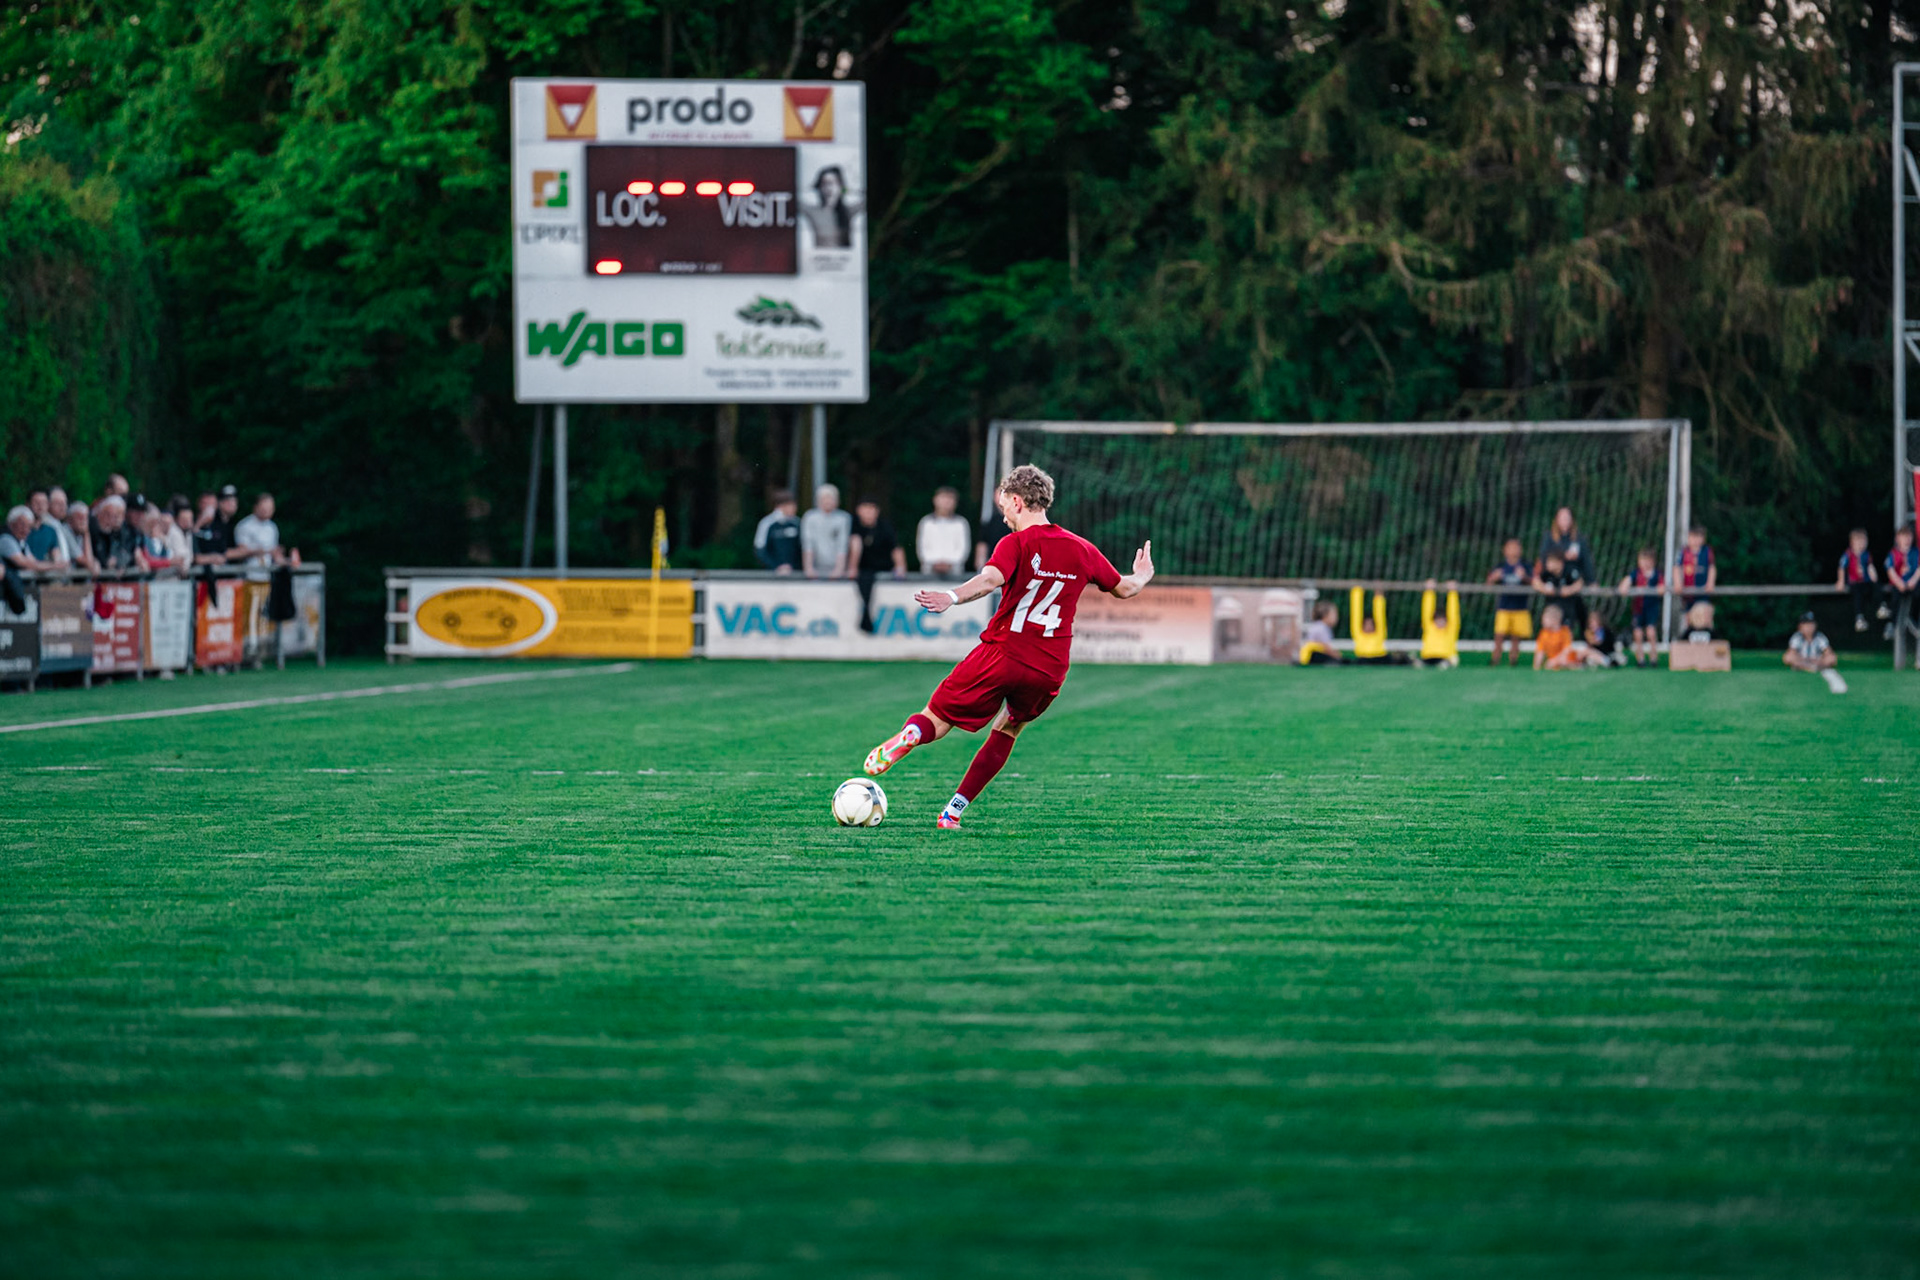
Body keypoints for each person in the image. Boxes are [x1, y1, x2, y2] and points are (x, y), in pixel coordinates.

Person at [858, 464, 1154, 829]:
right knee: (1008, 729)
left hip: (1002, 653)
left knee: (939, 715)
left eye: (1004, 509)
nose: (1004, 518)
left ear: (1017, 501)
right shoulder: (1082, 549)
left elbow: (989, 579)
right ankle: (952, 812)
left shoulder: (1015, 544)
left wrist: (952, 595)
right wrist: (1141, 575)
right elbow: (1124, 588)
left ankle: (912, 735)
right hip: (1048, 666)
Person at [849, 499, 907, 633]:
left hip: (883, 568)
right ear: (859, 510)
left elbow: (896, 548)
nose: (869, 512)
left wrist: (900, 567)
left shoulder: (885, 526)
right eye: (865, 508)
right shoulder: (854, 526)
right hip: (864, 569)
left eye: (872, 508)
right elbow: (854, 548)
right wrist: (852, 567)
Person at [1486, 538, 1533, 666]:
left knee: (1516, 636)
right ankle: (1495, 658)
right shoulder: (1501, 566)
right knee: (1499, 633)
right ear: (1504, 550)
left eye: (1516, 547)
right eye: (1510, 547)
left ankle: (1513, 659)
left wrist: (1523, 577)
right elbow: (1489, 582)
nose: (1513, 550)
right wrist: (1494, 577)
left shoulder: (1525, 566)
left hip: (1520, 606)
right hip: (1504, 606)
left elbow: (1533, 582)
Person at [1618, 546, 1665, 668]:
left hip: (1651, 608)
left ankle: (1654, 657)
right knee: (1638, 634)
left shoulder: (1656, 574)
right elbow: (1627, 581)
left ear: (1653, 562)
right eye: (1642, 560)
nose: (1645, 563)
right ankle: (1640, 659)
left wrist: (1658, 589)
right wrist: (1624, 586)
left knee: (1650, 632)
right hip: (1638, 609)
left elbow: (1662, 587)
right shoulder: (1636, 574)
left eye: (1648, 560)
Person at [915, 487, 971, 578]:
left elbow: (963, 549)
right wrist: (934, 563)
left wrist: (950, 564)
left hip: (955, 574)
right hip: (929, 572)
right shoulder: (926, 523)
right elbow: (922, 548)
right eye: (943, 498)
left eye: (950, 498)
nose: (946, 502)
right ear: (935, 500)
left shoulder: (961, 523)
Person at [802, 165, 862, 250]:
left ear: (840, 186)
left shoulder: (848, 211)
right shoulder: (814, 212)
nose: (829, 188)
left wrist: (851, 190)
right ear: (819, 187)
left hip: (846, 260)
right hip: (819, 260)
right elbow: (793, 199)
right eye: (825, 183)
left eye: (834, 183)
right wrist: (808, 188)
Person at [800, 484, 853, 579]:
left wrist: (839, 569)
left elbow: (842, 544)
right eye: (824, 498)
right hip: (816, 567)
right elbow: (808, 544)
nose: (828, 501)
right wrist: (809, 568)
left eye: (831, 498)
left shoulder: (843, 518)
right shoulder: (810, 517)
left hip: (837, 569)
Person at [1538, 507, 1596, 590]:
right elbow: (1543, 557)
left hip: (1573, 578)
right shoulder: (1549, 537)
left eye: (1567, 518)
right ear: (1557, 520)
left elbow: (1586, 561)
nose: (1565, 521)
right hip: (1553, 579)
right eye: (1562, 518)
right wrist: (1563, 556)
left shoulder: (1579, 539)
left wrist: (1591, 580)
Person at [1532, 548, 1587, 633]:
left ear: (1559, 562)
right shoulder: (1547, 573)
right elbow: (1535, 582)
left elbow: (1579, 583)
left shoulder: (1569, 570)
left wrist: (1568, 590)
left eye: (1550, 562)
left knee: (1566, 632)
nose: (1547, 565)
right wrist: (1545, 589)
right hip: (1552, 609)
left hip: (1567, 609)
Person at [1835, 528, 1879, 633]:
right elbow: (1842, 567)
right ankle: (1859, 617)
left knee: (1876, 587)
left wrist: (1873, 575)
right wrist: (1841, 581)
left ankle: (1881, 606)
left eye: (1863, 542)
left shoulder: (1866, 555)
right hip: (1855, 582)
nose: (1861, 545)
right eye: (1858, 542)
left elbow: (1870, 566)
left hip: (1866, 582)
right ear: (1852, 543)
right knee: (1857, 595)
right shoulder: (1848, 554)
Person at [233, 492, 288, 575]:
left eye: (270, 509)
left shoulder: (272, 527)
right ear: (256, 507)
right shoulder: (245, 525)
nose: (267, 511)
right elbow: (241, 551)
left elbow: (275, 554)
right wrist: (262, 551)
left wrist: (286, 561)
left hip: (267, 574)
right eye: (264, 508)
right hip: (249, 574)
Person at [752, 490, 803, 574]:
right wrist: (776, 567)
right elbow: (760, 550)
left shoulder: (797, 523)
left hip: (795, 574)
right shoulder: (766, 523)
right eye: (791, 505)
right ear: (781, 506)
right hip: (772, 574)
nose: (795, 508)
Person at [1347, 585, 1397, 663]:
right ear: (1362, 626)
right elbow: (1356, 614)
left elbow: (1380, 616)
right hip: (1363, 659)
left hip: (1379, 657)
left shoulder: (1380, 634)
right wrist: (1356, 593)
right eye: (1366, 624)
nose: (1369, 627)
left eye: (1371, 624)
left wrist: (1379, 598)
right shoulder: (1358, 634)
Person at [89, 495, 140, 571]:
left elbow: (126, 554)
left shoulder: (119, 532)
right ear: (100, 513)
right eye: (109, 515)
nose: (115, 520)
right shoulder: (91, 529)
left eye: (119, 515)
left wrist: (120, 564)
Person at [1885, 525, 1919, 634]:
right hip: (1898, 584)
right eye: (1904, 537)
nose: (1907, 539)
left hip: (1912, 583)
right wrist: (1899, 583)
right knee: (1895, 599)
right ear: (1898, 539)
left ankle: (1912, 618)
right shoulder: (1893, 553)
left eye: (1909, 537)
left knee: (1918, 594)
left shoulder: (1916, 552)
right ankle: (1891, 624)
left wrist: (1913, 580)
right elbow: (1890, 569)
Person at [1417, 580, 1460, 668]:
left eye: (1443, 621)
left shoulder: (1451, 629)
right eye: (1437, 620)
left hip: (1445, 657)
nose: (1440, 623)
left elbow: (1453, 613)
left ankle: (1445, 664)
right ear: (1433, 621)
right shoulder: (1429, 627)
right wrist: (1429, 591)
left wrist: (1452, 592)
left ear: (1447, 621)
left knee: (1451, 660)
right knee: (1420, 664)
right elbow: (1427, 611)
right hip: (1429, 657)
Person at [1, 506, 58, 572]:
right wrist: (54, 566)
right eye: (22, 525)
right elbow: (25, 563)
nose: (26, 530)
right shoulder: (5, 539)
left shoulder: (21, 542)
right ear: (11, 524)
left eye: (29, 527)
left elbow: (33, 562)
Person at [194, 485, 240, 564]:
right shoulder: (195, 522)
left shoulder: (224, 525)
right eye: (206, 504)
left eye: (212, 504)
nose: (209, 508)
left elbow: (223, 550)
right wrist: (200, 523)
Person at [1675, 525, 1716, 610]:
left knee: (1702, 615)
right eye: (1693, 537)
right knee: (1688, 616)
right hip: (1687, 592)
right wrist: (1678, 583)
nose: (1695, 540)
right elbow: (1676, 568)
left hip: (1702, 590)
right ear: (1688, 538)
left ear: (1703, 539)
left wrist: (1710, 582)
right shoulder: (1683, 551)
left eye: (1698, 537)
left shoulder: (1707, 551)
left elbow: (1712, 568)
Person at [42, 486, 80, 564]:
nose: (63, 507)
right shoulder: (43, 525)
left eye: (65, 503)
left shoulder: (61, 526)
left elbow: (76, 555)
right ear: (48, 504)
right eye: (58, 503)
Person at [1298, 599, 1343, 664]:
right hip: (1314, 655)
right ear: (1325, 615)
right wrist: (1336, 655)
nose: (1336, 617)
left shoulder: (1317, 625)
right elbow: (1326, 647)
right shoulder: (1322, 628)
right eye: (1334, 614)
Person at [1533, 604, 1575, 669]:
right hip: (1552, 662)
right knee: (1549, 664)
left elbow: (1566, 650)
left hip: (1566, 659)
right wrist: (1536, 667)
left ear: (1555, 620)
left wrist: (1555, 660)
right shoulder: (1543, 633)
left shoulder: (1565, 631)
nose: (1542, 621)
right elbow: (1540, 652)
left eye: (1545, 619)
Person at [973, 501, 1010, 571]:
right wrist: (981, 567)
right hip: (993, 568)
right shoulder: (989, 522)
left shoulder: (1021, 524)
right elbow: (982, 545)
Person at [62, 502, 99, 573]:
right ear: (69, 519)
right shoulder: (66, 531)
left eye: (85, 518)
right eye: (79, 517)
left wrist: (95, 562)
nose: (83, 521)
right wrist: (86, 533)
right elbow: (87, 562)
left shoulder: (80, 533)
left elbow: (89, 560)